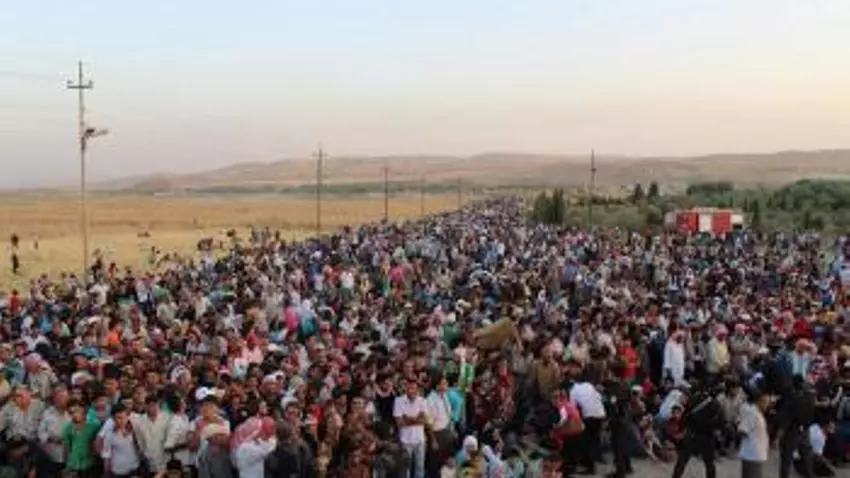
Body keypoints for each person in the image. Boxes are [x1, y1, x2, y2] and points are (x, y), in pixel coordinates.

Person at [670, 383, 723, 478]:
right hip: (706, 436)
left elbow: (685, 416)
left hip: (692, 435)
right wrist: (710, 425)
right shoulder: (715, 403)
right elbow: (721, 422)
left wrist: (683, 428)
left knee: (682, 461)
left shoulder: (694, 400)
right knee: (709, 463)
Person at [393, 379, 428, 478]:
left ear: (417, 389)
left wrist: (407, 418)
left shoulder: (422, 401)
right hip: (405, 440)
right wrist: (417, 419)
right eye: (410, 388)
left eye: (414, 388)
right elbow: (399, 423)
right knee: (405, 468)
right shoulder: (398, 401)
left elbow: (424, 421)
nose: (412, 391)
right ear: (406, 389)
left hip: (420, 439)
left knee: (420, 467)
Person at [738, 390, 771, 478]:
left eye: (768, 402)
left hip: (756, 455)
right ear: (758, 401)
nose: (767, 405)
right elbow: (742, 430)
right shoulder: (752, 414)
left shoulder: (758, 414)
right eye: (765, 402)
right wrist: (753, 439)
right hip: (751, 455)